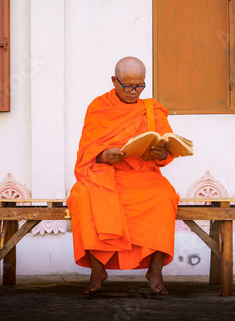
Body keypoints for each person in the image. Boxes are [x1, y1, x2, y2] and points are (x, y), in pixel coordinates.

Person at [67, 56, 180, 295]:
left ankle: (155, 269)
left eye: (139, 86)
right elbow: (86, 151)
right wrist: (103, 156)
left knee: (164, 195)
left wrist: (160, 153)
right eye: (128, 86)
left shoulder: (152, 109)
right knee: (82, 196)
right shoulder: (99, 107)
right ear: (114, 81)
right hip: (106, 174)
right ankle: (98, 270)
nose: (133, 91)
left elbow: (166, 149)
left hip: (142, 175)